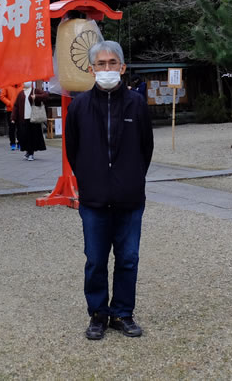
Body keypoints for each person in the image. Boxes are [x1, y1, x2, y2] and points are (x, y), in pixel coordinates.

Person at [65, 40, 154, 340]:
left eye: (112, 63)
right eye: (100, 64)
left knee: (128, 258)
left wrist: (131, 178)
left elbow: (146, 149)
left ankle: (123, 312)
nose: (106, 69)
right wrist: (90, 179)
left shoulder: (137, 105)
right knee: (95, 259)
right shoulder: (78, 107)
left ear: (122, 67)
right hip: (94, 200)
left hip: (129, 198)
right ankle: (98, 314)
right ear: (91, 69)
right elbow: (72, 150)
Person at [10, 81, 47, 161]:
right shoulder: (21, 93)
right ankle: (27, 152)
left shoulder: (35, 90)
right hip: (23, 118)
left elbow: (45, 95)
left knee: (32, 136)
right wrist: (13, 117)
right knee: (24, 136)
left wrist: (36, 96)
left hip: (33, 118)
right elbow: (16, 106)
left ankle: (31, 153)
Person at [0, 82, 23, 151]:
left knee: (20, 127)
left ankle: (20, 143)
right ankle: (12, 143)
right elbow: (2, 96)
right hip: (10, 110)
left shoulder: (22, 85)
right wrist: (9, 103)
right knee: (12, 128)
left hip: (20, 110)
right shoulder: (6, 85)